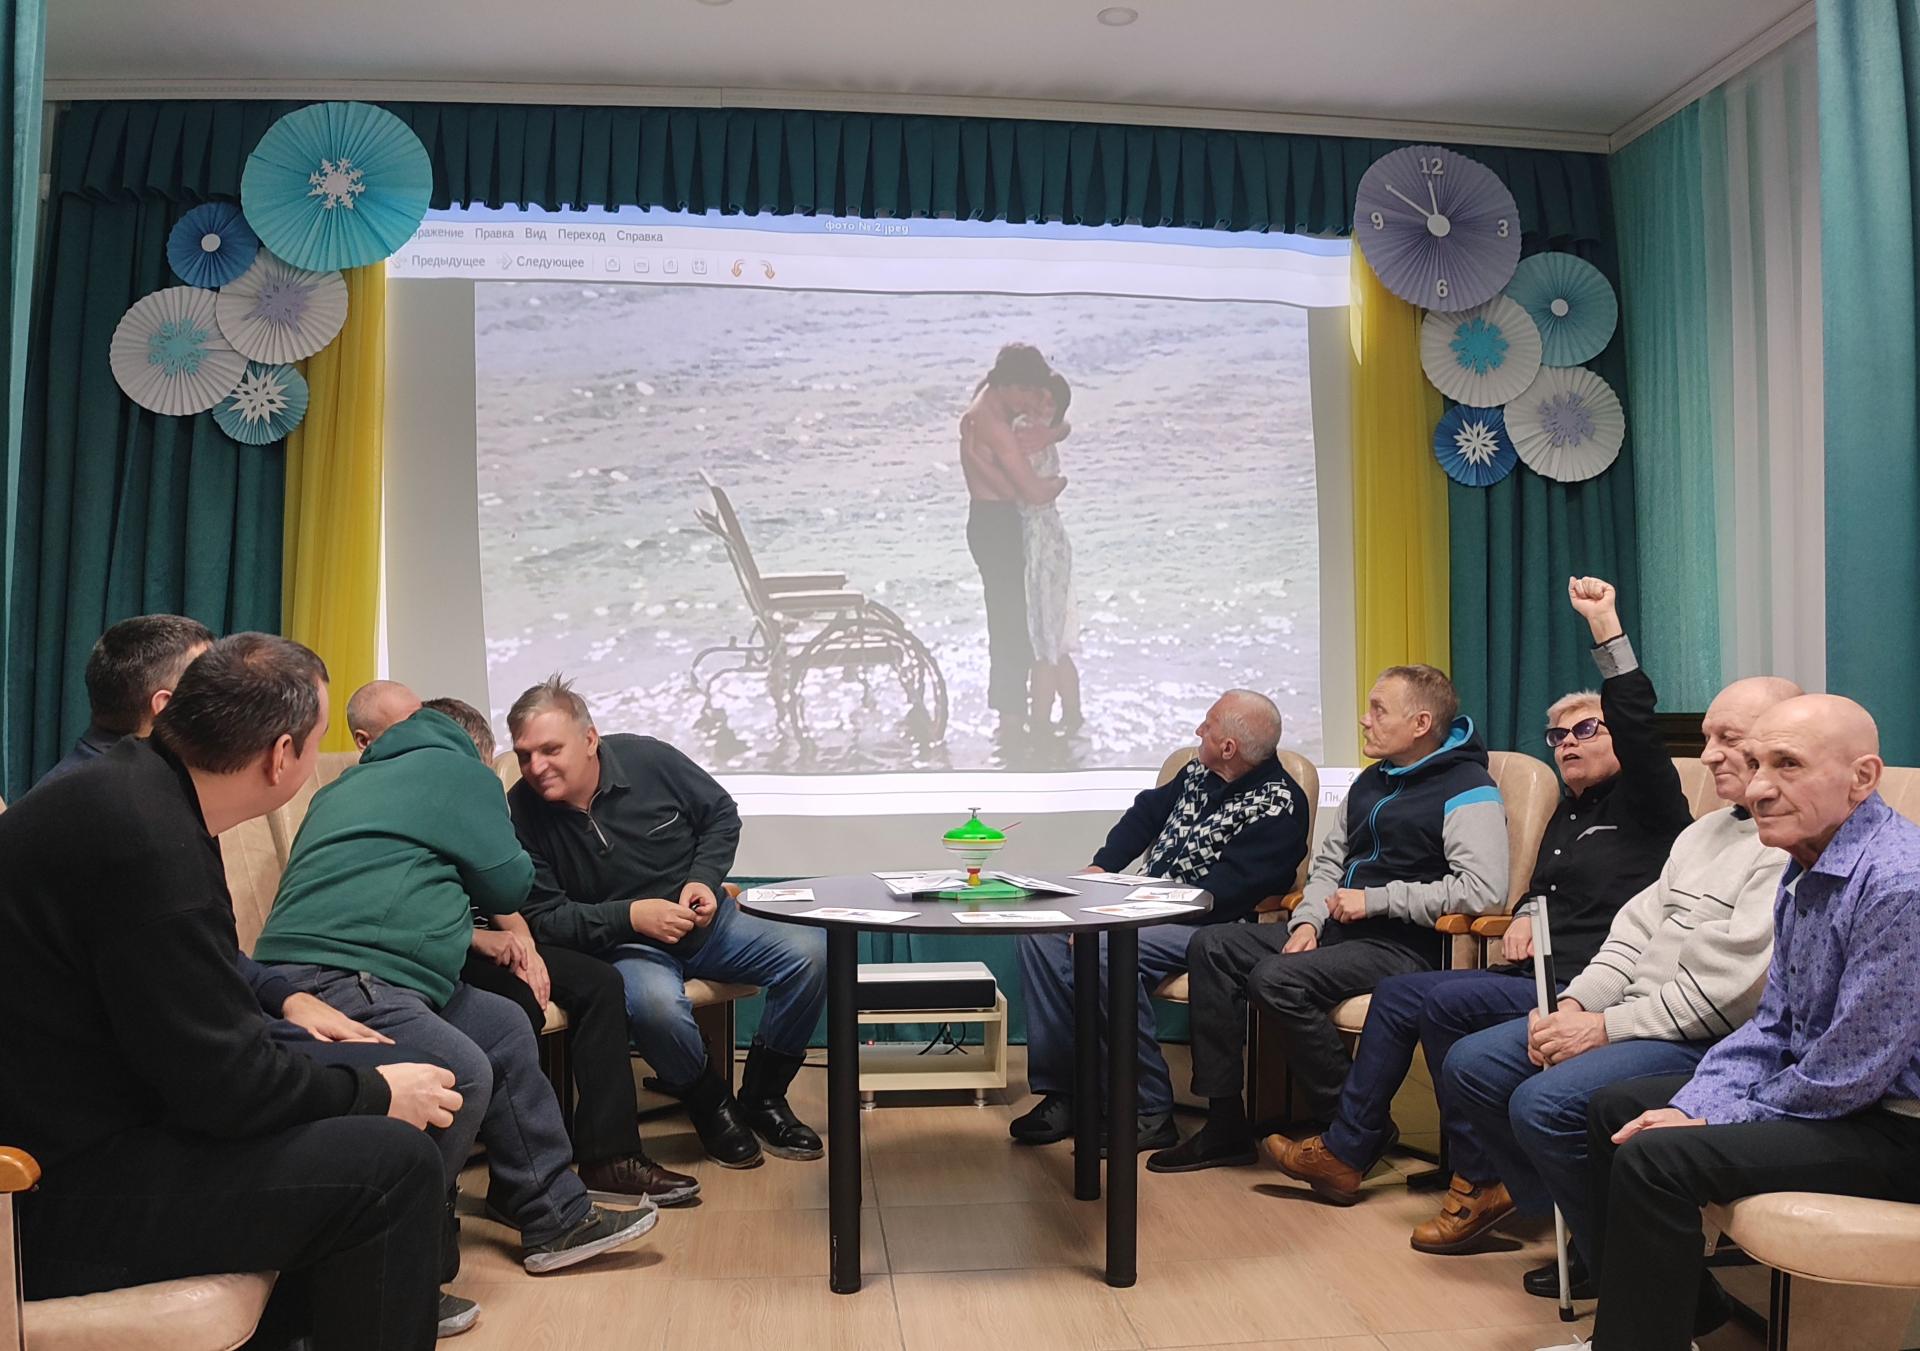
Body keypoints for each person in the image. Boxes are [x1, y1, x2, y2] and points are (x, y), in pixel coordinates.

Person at [0, 633, 459, 1351]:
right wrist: (374, 1093)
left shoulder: (137, 788)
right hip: (41, 1194)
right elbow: (225, 1089)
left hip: (93, 1128)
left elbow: (204, 1040)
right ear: (282, 756)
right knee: (392, 1168)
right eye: (318, 742)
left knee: (376, 1098)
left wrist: (350, 1074)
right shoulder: (149, 841)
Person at [1264, 578, 1695, 1257]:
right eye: (1558, 734)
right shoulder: (1567, 814)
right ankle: (1395, 1158)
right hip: (1534, 974)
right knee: (1412, 997)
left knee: (1428, 999)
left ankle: (1471, 1177)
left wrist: (1606, 631)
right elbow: (1543, 892)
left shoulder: (1649, 805)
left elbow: (1637, 723)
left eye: (1587, 729)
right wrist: (1524, 912)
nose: (1568, 742)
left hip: (1593, 987)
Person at [1540, 695, 1920, 1351]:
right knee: (1613, 1108)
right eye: (1759, 763)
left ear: (1862, 777)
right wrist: (1701, 1100)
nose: (1762, 787)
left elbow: (1849, 1074)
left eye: (1788, 764)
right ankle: (1666, 1327)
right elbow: (1773, 1025)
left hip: (1897, 1124)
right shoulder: (1806, 859)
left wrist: (1716, 1114)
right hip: (1842, 1100)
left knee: (1657, 1157)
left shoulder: (1899, 884)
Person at [253, 686, 659, 1273]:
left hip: (333, 970)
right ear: (479, 751)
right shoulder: (463, 773)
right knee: (462, 1072)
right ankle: (394, 1269)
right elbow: (509, 886)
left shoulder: (342, 787)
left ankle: (555, 1218)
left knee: (504, 1027)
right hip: (345, 974)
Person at [1440, 674, 1798, 1296]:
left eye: (1727, 738)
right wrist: (1576, 1002)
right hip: (1635, 1014)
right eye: (1707, 738)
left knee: (1543, 1103)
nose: (1707, 755)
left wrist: (1603, 1028)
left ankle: (1649, 1284)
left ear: (1781, 746)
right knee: (1472, 1065)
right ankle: (1589, 1228)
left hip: (1706, 1038)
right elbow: (1632, 933)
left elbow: (1729, 991)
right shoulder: (1704, 832)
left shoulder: (1785, 844)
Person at [1148, 664, 1508, 1173]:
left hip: (1405, 946)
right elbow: (1328, 866)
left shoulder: (1469, 787)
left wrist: (1377, 900)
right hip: (1339, 931)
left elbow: (1483, 890)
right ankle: (1226, 1123)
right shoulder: (1370, 781)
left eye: (1379, 710)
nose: (1365, 719)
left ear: (1421, 723)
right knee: (1213, 945)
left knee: (1276, 979)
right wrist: (1307, 923)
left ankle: (1354, 1124)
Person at [507, 674, 828, 1168]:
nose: (535, 767)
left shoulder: (649, 759)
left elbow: (721, 815)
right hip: (625, 946)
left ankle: (763, 1098)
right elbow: (548, 920)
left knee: (813, 953)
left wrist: (703, 879)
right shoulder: (521, 812)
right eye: (524, 755)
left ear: (590, 740)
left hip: (710, 927)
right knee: (654, 1005)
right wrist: (632, 917)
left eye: (550, 750)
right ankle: (711, 1105)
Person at [425, 693, 701, 1206]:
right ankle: (519, 1174)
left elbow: (504, 887)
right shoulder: (405, 805)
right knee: (517, 1007)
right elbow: (409, 915)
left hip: (495, 934)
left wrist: (525, 944)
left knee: (600, 982)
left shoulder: (477, 801)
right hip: (440, 945)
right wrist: (481, 939)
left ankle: (609, 1157)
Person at [1012, 690, 1310, 1151]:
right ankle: (1067, 1094)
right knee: (1043, 934)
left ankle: (1147, 1109)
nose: (1198, 731)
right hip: (1145, 909)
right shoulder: (1198, 772)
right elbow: (1145, 814)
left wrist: (1124, 915)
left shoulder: (1279, 806)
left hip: (1214, 927)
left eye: (1208, 725)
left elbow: (1224, 894)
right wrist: (1103, 866)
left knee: (1107, 947)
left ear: (1229, 747)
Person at [961, 342, 1065, 727]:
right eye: (1024, 391)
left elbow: (1058, 409)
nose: (1028, 401)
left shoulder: (989, 396)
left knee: (1015, 621)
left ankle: (1014, 713)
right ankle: (1011, 717)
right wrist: (1060, 483)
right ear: (1007, 384)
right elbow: (1032, 492)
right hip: (997, 525)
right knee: (1010, 625)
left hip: (996, 519)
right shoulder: (992, 423)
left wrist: (1055, 432)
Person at [34, 613, 212, 787]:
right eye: (209, 686)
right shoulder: (121, 796)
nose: (219, 699)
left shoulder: (128, 777)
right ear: (166, 706)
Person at [1015, 372, 1082, 731]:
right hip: (1049, 538)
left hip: (1041, 541)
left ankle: (1040, 725)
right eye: (1038, 397)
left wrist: (1057, 483)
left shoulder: (1026, 430)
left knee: (1044, 643)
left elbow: (1032, 491)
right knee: (1053, 640)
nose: (1041, 406)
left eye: (1049, 403)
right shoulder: (1039, 431)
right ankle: (1071, 718)